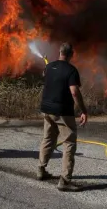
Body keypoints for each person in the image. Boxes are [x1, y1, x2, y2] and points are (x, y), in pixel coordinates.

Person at [37, 42, 88, 191]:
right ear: (72, 54)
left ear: (59, 52)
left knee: (48, 139)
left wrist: (49, 66)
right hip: (62, 112)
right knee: (69, 142)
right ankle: (65, 181)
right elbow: (74, 91)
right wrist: (83, 110)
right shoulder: (71, 70)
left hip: (46, 110)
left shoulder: (49, 66)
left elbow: (45, 75)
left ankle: (41, 169)